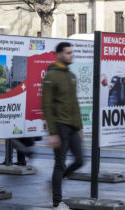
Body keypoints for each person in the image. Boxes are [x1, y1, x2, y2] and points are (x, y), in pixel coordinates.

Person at [41, 42, 84, 209]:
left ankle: (53, 184)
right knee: (60, 164)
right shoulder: (51, 76)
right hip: (60, 126)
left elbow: (75, 103)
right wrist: (52, 133)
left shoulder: (71, 75)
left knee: (80, 160)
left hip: (73, 126)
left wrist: (79, 127)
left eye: (71, 52)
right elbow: (47, 105)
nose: (71, 55)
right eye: (67, 53)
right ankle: (57, 202)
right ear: (58, 54)